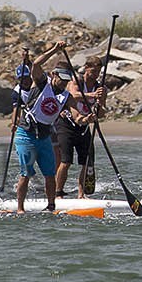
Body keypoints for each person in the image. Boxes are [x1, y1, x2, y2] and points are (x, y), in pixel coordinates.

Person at [10, 42, 72, 213]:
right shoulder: (42, 82)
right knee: (26, 174)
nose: (63, 84)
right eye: (62, 80)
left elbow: (79, 115)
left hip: (43, 137)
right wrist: (55, 50)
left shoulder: (66, 95)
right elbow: (36, 64)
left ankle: (51, 206)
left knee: (50, 175)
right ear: (54, 75)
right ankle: (20, 209)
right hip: (26, 134)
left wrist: (89, 117)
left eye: (67, 82)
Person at [54, 58, 102, 198]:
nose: (96, 75)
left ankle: (81, 194)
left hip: (84, 126)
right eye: (93, 71)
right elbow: (74, 95)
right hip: (67, 125)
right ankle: (58, 193)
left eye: (98, 72)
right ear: (86, 68)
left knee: (87, 162)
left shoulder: (99, 87)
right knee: (66, 161)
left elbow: (102, 111)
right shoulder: (76, 81)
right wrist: (92, 95)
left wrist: (97, 112)